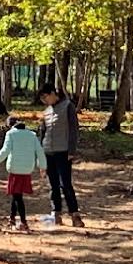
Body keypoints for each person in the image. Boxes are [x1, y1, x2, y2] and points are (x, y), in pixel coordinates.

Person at [0, 115, 47, 232]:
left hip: (15, 169)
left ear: (10, 125)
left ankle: (24, 222)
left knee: (17, 197)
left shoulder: (11, 134)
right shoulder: (32, 135)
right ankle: (12, 219)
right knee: (16, 195)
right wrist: (42, 167)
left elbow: (5, 150)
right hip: (27, 170)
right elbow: (40, 151)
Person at [37, 83, 84, 227]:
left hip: (63, 152)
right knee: (53, 185)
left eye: (46, 97)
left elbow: (74, 130)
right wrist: (40, 155)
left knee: (66, 184)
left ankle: (74, 214)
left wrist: (72, 150)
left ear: (52, 93)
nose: (45, 101)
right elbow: (42, 133)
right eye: (42, 99)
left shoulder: (68, 106)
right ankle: (55, 213)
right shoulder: (46, 112)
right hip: (48, 152)